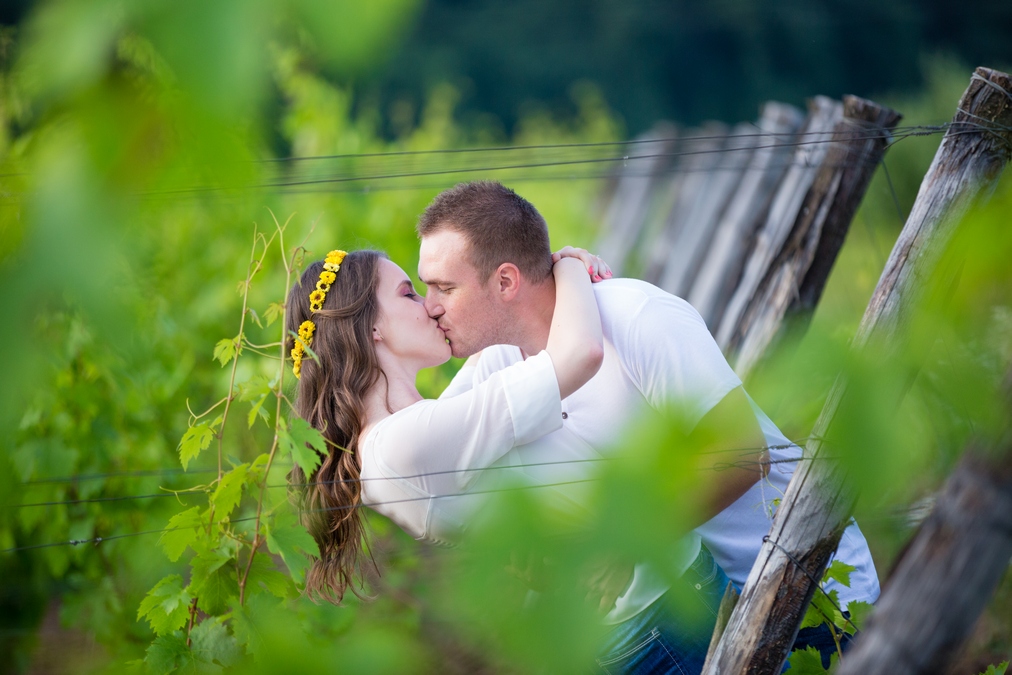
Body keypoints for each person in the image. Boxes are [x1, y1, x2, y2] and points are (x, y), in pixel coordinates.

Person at [415, 180, 881, 672]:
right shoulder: (496, 364)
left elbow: (743, 454)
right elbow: (419, 461)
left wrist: (625, 545)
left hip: (809, 593)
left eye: (445, 287)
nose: (430, 305)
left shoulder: (637, 318)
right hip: (691, 613)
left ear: (506, 281)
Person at [285, 247, 605, 603]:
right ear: (371, 326)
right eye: (408, 293)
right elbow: (580, 353)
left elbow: (491, 347)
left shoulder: (404, 435)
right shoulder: (400, 444)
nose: (430, 306)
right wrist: (572, 264)